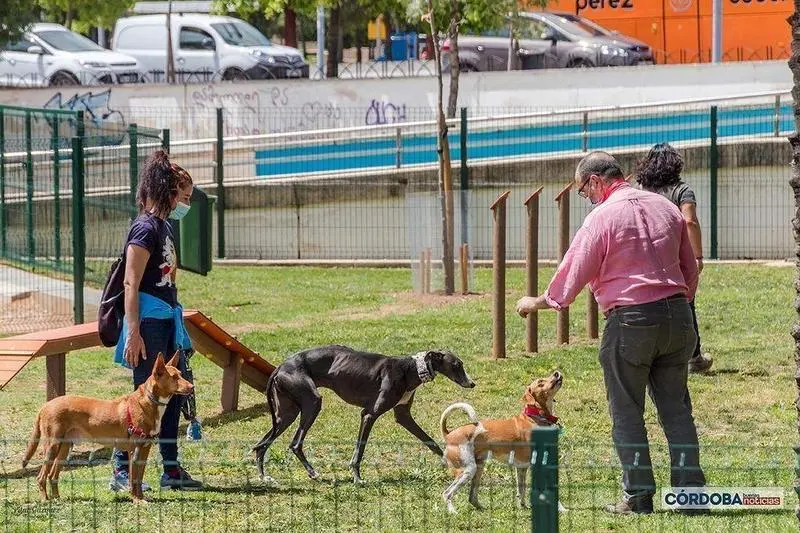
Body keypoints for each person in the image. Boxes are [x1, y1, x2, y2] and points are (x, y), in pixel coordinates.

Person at [515, 151, 705, 515]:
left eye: (583, 189)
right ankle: (692, 497)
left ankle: (638, 498)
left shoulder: (600, 217)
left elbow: (570, 280)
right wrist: (678, 300)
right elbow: (690, 268)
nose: (585, 196)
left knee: (627, 412)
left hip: (630, 322)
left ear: (596, 181)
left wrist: (534, 302)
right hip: (678, 317)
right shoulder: (666, 207)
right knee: (677, 411)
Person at [109, 149, 203, 492]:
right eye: (185, 197)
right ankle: (121, 471)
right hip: (147, 324)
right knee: (142, 402)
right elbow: (130, 283)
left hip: (167, 321)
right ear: (168, 192)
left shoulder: (164, 226)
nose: (186, 204)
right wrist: (133, 333)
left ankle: (171, 469)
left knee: (173, 396)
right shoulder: (145, 228)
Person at [633, 143, 713, 373]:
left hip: (645, 253)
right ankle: (693, 357)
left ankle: (651, 354)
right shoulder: (681, 190)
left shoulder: (640, 190)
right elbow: (689, 221)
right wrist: (697, 256)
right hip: (675, 254)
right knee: (686, 301)